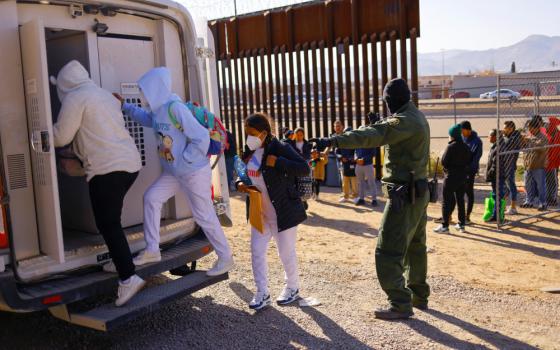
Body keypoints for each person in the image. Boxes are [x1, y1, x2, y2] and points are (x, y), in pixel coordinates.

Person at [311, 78, 431, 320]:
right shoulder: (416, 116)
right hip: (418, 192)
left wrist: (333, 140)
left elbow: (373, 134)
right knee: (415, 246)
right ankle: (418, 295)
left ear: (389, 101)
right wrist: (383, 125)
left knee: (388, 249)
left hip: (404, 194)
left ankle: (399, 302)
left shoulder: (402, 121)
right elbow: (389, 131)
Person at [119, 67, 234, 276]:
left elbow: (201, 137)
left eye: (145, 90)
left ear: (156, 89)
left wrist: (185, 160)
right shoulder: (158, 108)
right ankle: (152, 250)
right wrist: (125, 106)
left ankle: (225, 258)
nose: (143, 94)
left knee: (204, 215)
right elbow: (147, 120)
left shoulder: (175, 108)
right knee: (151, 198)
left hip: (193, 172)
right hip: (175, 172)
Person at [51, 60, 144, 307]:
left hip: (107, 170)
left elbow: (62, 136)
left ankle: (128, 278)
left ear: (64, 85)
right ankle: (120, 260)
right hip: (130, 165)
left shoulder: (75, 98)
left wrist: (40, 134)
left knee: (108, 223)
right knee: (113, 219)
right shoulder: (103, 95)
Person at [236, 113, 310, 310]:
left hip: (282, 212)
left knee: (286, 253)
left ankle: (292, 287)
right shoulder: (249, 151)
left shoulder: (280, 147)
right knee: (256, 252)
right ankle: (262, 292)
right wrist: (240, 183)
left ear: (264, 133)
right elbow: (243, 172)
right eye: (246, 133)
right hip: (259, 213)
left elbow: (304, 168)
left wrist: (278, 162)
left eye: (252, 133)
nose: (248, 137)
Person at [433, 124, 472, 233]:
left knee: (446, 201)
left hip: (451, 177)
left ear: (452, 136)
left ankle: (445, 226)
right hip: (463, 177)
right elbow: (469, 160)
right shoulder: (465, 146)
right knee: (460, 200)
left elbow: (444, 162)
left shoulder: (450, 146)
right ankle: (461, 224)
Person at [521, 118, 548, 211]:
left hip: (538, 165)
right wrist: (523, 141)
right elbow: (523, 147)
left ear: (537, 128)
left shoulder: (542, 137)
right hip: (528, 165)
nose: (530, 130)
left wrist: (529, 140)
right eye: (529, 128)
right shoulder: (529, 136)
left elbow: (541, 148)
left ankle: (542, 203)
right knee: (528, 184)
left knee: (541, 185)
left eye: (531, 128)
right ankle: (529, 201)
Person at [460, 121, 483, 224]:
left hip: (470, 171)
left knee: (469, 192)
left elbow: (476, 159)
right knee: (459, 192)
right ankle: (459, 215)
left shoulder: (477, 141)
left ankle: (467, 216)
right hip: (461, 170)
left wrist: (469, 171)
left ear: (468, 130)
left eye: (463, 131)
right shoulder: (463, 138)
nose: (461, 133)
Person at [484, 129, 507, 222]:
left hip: (497, 175)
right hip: (496, 175)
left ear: (494, 137)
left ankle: (496, 216)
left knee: (497, 195)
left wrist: (489, 174)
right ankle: (498, 214)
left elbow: (495, 164)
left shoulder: (499, 147)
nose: (488, 138)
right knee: (496, 195)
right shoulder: (496, 146)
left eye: (490, 136)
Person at [502, 121, 522, 214]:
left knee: (511, 186)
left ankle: (513, 207)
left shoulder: (515, 138)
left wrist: (502, 137)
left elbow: (507, 145)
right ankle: (504, 206)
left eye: (505, 128)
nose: (503, 129)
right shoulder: (508, 137)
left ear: (511, 129)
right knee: (506, 187)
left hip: (510, 165)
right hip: (505, 165)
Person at [545, 117, 560, 206]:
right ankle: (549, 196)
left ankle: (553, 198)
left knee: (553, 180)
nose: (546, 125)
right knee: (547, 179)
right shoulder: (547, 134)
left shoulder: (558, 135)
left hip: (554, 161)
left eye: (548, 124)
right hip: (546, 161)